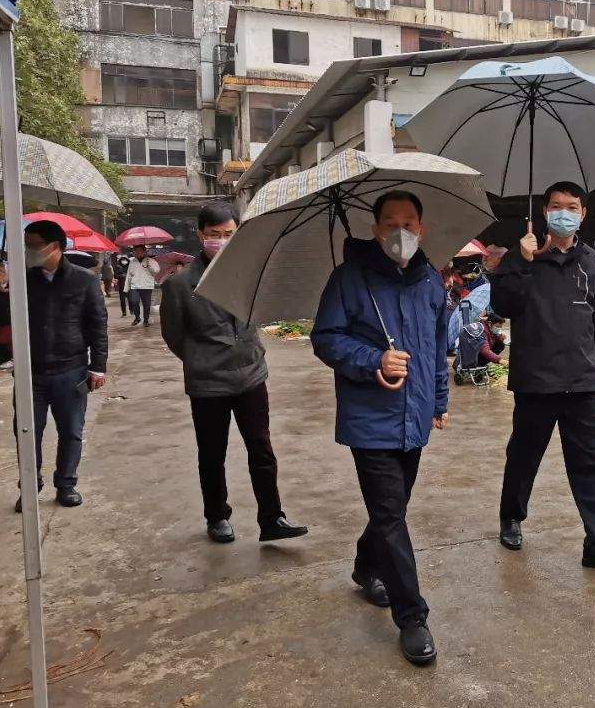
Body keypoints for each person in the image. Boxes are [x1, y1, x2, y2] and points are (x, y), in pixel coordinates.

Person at [311, 190, 448, 667]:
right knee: (391, 515)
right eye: (390, 223)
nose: (400, 232)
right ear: (374, 229)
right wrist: (374, 359)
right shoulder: (349, 279)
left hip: (415, 418)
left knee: (393, 508)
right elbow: (325, 338)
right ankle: (412, 617)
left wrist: (438, 400)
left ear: (422, 229)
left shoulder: (432, 282)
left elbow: (435, 348)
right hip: (370, 419)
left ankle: (365, 566)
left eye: (409, 222)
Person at [491, 181, 595, 580]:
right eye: (556, 206)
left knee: (591, 464)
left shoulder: (592, 261)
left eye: (571, 206)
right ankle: (511, 517)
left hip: (582, 380)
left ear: (583, 213)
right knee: (524, 456)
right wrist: (521, 262)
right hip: (535, 380)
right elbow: (501, 306)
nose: (563, 212)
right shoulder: (522, 257)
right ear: (543, 212)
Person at [161, 204, 307, 546]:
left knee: (262, 449)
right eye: (215, 235)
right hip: (208, 383)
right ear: (200, 235)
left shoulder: (249, 273)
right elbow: (173, 335)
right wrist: (200, 359)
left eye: (229, 234)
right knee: (212, 453)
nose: (222, 241)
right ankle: (216, 517)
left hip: (252, 375)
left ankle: (272, 518)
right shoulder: (181, 285)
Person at [17, 220, 108, 511]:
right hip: (31, 370)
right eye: (26, 245)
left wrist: (98, 366)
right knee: (28, 431)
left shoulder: (84, 280)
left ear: (55, 246)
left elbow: (98, 324)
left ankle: (66, 484)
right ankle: (30, 486)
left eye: (33, 245)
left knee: (71, 431)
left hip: (71, 369)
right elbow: (3, 321)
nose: (28, 251)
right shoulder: (22, 280)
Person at [124, 244, 159, 326]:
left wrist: (149, 265)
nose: (137, 253)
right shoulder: (132, 261)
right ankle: (137, 317)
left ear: (144, 251)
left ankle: (146, 320)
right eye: (135, 251)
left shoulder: (151, 261)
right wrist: (126, 288)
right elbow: (129, 275)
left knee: (146, 304)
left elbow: (156, 271)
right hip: (135, 286)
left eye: (139, 251)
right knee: (134, 301)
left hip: (146, 286)